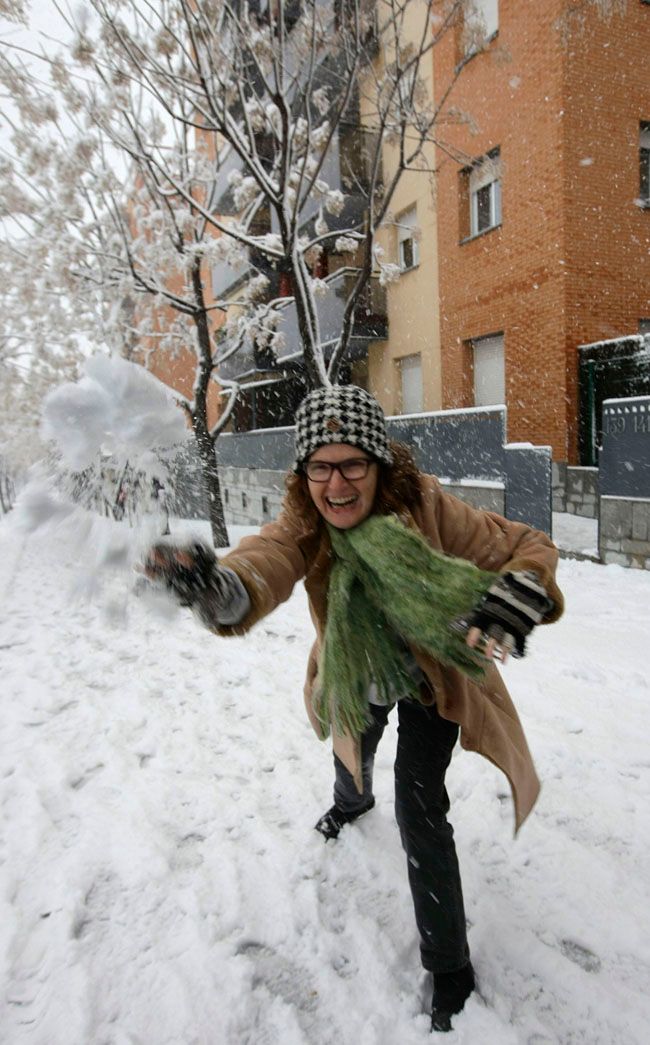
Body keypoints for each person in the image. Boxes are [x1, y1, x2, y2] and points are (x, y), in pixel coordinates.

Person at [144, 385, 563, 1033]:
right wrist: (218, 586)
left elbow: (524, 543)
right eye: (320, 465)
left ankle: (448, 964)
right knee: (355, 752)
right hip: (358, 670)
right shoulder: (303, 525)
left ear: (379, 464)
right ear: (303, 471)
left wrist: (520, 590)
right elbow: (265, 562)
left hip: (434, 675)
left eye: (352, 464)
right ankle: (348, 800)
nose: (335, 484)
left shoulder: (425, 506)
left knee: (419, 805)